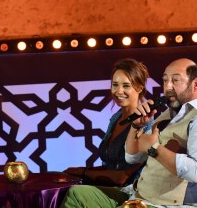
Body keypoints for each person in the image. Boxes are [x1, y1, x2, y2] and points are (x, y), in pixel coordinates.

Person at [60, 58, 197, 208]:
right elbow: (132, 158)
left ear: (195, 84)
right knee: (76, 195)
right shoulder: (165, 115)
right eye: (165, 80)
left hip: (164, 204)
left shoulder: (194, 118)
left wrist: (155, 149)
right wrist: (136, 127)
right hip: (137, 194)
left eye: (175, 80)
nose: (168, 86)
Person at [64, 58, 153, 187]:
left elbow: (122, 177)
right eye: (115, 84)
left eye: (126, 85)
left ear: (139, 87)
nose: (119, 91)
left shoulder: (146, 123)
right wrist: (79, 171)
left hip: (130, 196)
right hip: (108, 187)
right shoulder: (116, 118)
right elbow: (111, 167)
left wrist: (84, 172)